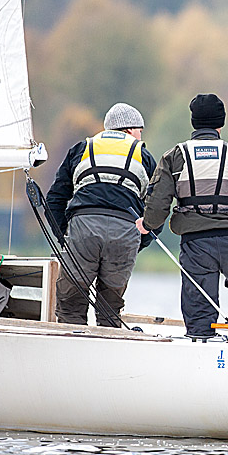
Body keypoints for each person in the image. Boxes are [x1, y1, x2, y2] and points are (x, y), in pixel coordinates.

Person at [136, 93, 228, 340]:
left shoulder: (175, 156)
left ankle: (200, 340)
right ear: (221, 123)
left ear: (194, 122)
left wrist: (148, 224)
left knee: (198, 296)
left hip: (196, 244)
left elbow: (158, 202)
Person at [45, 103, 158, 327]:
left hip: (82, 229)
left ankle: (70, 353)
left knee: (70, 305)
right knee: (110, 309)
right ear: (128, 130)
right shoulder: (143, 155)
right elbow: (157, 207)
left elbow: (54, 200)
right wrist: (140, 240)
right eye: (139, 130)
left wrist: (64, 236)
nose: (139, 135)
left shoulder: (81, 149)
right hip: (125, 233)